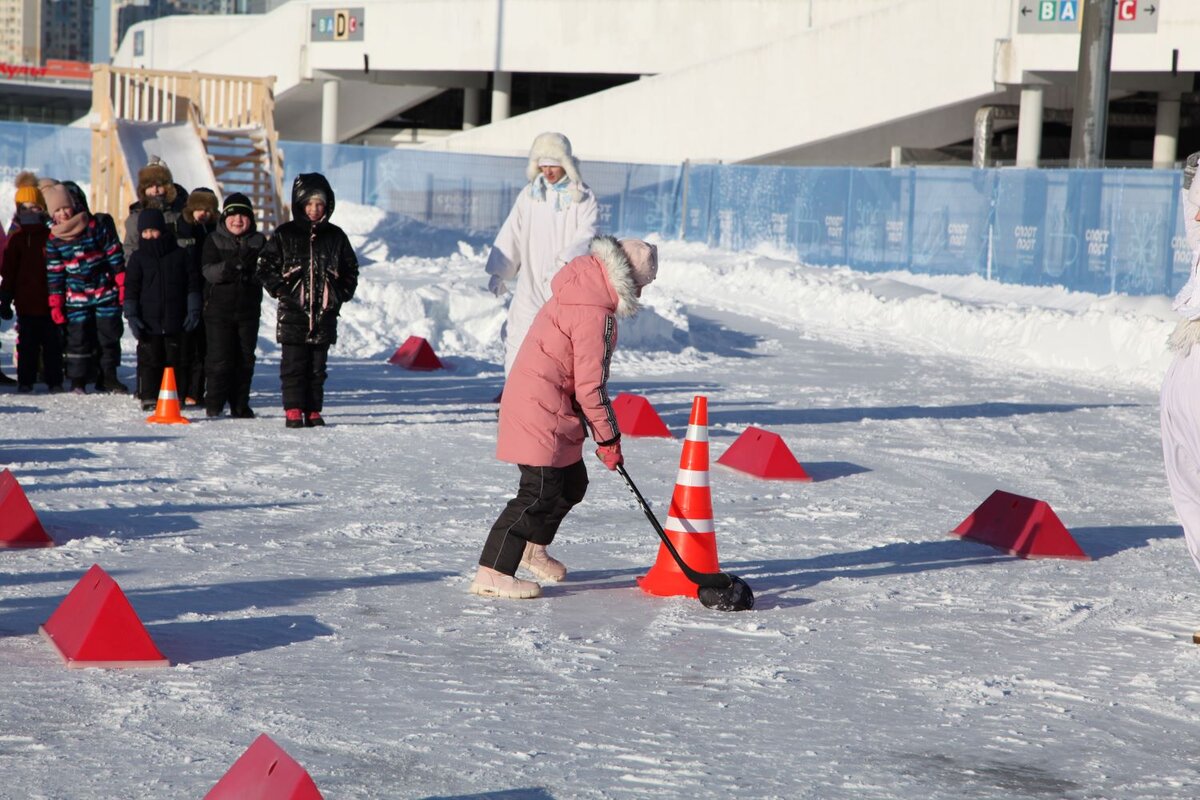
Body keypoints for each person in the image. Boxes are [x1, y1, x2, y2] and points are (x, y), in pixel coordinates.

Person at [470, 236, 659, 599]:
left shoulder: (580, 288)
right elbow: (592, 387)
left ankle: (531, 548)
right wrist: (608, 439)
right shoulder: (595, 313)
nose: (641, 295)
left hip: (543, 402)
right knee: (538, 491)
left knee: (571, 483)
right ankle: (493, 570)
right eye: (641, 286)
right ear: (629, 280)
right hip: (539, 407)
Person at [485, 132, 599, 377]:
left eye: (554, 166)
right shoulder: (530, 195)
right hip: (530, 282)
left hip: (562, 285)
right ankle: (514, 395)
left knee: (560, 343)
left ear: (566, 165)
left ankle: (555, 398)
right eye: (543, 165)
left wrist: (565, 262)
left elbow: (587, 235)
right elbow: (512, 231)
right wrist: (499, 270)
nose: (547, 172)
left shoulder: (582, 197)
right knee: (517, 335)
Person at [257, 173, 358, 429]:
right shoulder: (285, 233)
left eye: (320, 204)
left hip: (324, 315)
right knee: (293, 365)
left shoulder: (336, 236)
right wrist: (280, 289)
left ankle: (313, 409)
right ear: (300, 204)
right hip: (293, 313)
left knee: (316, 367)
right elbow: (265, 266)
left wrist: (340, 293)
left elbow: (350, 268)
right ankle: (293, 409)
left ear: (327, 206)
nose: (314, 209)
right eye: (310, 204)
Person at [44, 182, 128, 394]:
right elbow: (55, 274)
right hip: (76, 298)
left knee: (108, 335)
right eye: (58, 210)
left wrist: (121, 282)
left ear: (74, 205)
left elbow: (114, 254)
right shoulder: (53, 240)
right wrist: (56, 302)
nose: (63, 213)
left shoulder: (94, 226)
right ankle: (78, 379)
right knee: (77, 338)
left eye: (66, 207)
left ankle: (108, 376)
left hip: (104, 291)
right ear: (52, 214)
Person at [123, 208, 202, 411]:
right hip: (148, 321)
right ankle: (148, 395)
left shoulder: (180, 255)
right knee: (150, 359)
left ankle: (176, 395)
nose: (149, 235)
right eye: (145, 232)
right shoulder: (138, 258)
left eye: (153, 230)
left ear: (162, 230)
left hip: (176, 319)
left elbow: (192, 284)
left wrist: (193, 309)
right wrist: (132, 315)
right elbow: (131, 288)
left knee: (177, 359)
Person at [201, 193, 265, 418]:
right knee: (219, 358)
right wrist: (233, 266)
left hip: (248, 311)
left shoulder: (259, 241)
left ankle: (240, 403)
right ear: (224, 218)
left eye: (243, 215)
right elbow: (208, 271)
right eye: (233, 215)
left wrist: (253, 273)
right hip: (218, 311)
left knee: (245, 358)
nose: (238, 220)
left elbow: (266, 272)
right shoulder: (214, 240)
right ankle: (214, 403)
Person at [0, 181, 62, 392]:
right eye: (23, 208)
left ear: (42, 208)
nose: (28, 211)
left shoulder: (51, 235)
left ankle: (54, 380)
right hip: (25, 303)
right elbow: (8, 272)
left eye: (33, 207)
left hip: (50, 301)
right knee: (27, 345)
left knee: (52, 344)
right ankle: (25, 381)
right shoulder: (16, 238)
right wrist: (6, 299)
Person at [176, 187, 220, 406]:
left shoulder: (215, 230)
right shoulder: (181, 227)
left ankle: (195, 390)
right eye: (199, 208)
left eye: (207, 209)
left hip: (207, 292)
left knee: (202, 347)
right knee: (185, 344)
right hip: (184, 292)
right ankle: (180, 390)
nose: (203, 213)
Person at [123, 158, 189, 260]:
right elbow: (130, 250)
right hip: (148, 272)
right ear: (143, 189)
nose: (155, 190)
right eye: (149, 186)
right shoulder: (136, 217)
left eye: (159, 185)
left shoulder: (181, 213)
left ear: (168, 187)